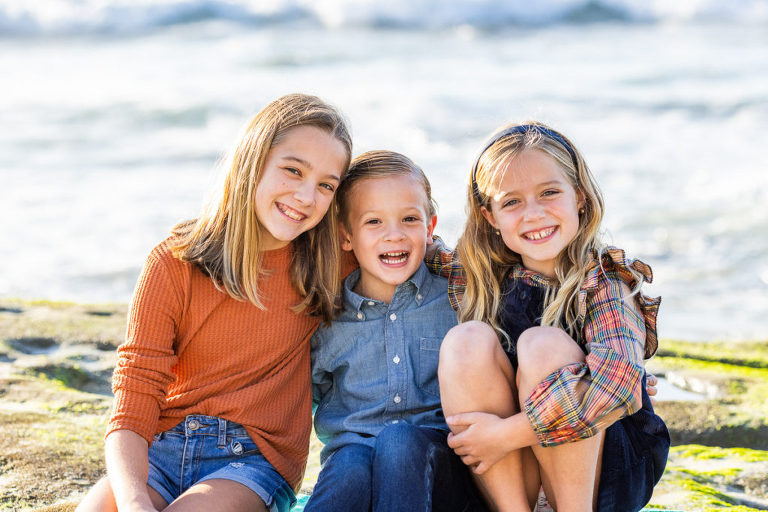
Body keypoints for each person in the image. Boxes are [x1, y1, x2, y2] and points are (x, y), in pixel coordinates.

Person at [75, 93, 353, 512]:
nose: (306, 196)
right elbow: (133, 399)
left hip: (253, 462)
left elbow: (396, 233)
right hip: (161, 450)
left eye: (326, 185)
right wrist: (133, 501)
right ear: (252, 160)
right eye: (293, 170)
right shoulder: (174, 261)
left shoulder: (326, 262)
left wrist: (442, 251)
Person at [434, 123, 670, 512]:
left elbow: (618, 385)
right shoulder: (478, 273)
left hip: (603, 472)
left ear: (579, 195)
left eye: (549, 192)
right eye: (511, 202)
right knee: (466, 341)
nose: (534, 214)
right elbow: (398, 244)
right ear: (489, 216)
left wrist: (505, 435)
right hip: (514, 474)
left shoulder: (603, 281)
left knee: (541, 345)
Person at [306, 151, 488, 512]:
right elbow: (297, 404)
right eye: (374, 222)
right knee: (348, 466)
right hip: (354, 464)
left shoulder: (455, 297)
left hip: (438, 467)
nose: (394, 235)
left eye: (409, 219)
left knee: (400, 441)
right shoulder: (327, 319)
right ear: (346, 235)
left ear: (429, 226)